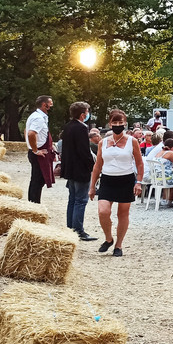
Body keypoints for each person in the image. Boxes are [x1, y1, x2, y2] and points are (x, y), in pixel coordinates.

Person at [89, 109, 144, 257]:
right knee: (103, 211)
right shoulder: (103, 142)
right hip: (107, 179)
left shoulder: (132, 141)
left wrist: (138, 182)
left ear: (125, 123)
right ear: (110, 123)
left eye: (121, 122)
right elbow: (97, 165)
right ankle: (108, 238)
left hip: (125, 179)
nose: (118, 125)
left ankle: (119, 245)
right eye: (115, 122)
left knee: (123, 213)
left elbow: (139, 163)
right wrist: (92, 186)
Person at [60, 101, 96, 242]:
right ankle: (78, 230)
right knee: (81, 200)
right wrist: (91, 165)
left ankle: (70, 227)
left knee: (72, 199)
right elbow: (84, 150)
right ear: (82, 115)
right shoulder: (81, 128)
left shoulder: (68, 127)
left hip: (70, 168)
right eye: (86, 112)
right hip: (80, 169)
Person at [25, 94, 56, 204]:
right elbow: (31, 133)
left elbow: (26, 131)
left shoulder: (36, 116)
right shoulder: (38, 118)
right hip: (39, 153)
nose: (52, 106)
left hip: (38, 150)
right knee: (38, 180)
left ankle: (32, 203)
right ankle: (34, 203)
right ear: (44, 105)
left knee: (37, 179)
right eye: (50, 104)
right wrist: (35, 150)